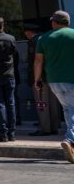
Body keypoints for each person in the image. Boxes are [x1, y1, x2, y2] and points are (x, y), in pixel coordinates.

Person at [34, 10, 74, 164]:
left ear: (55, 22)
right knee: (71, 109)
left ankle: (71, 142)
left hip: (54, 81)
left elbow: (38, 62)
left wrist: (37, 80)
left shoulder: (44, 38)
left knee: (69, 109)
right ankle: (70, 139)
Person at [25, 23, 60, 136]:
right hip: (51, 76)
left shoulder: (34, 42)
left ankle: (45, 128)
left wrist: (36, 78)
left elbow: (36, 61)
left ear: (28, 32)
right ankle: (54, 127)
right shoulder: (48, 39)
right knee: (53, 103)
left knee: (42, 103)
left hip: (40, 78)